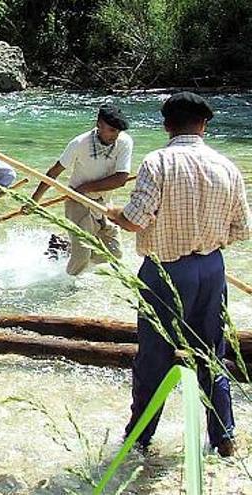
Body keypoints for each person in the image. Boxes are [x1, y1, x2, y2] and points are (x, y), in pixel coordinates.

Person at [107, 92, 250, 457]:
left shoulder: (158, 163)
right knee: (211, 354)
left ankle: (140, 437)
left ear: (167, 125)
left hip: (165, 271)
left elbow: (135, 221)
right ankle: (224, 438)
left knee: (154, 357)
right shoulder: (227, 166)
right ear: (204, 125)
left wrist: (113, 215)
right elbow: (240, 230)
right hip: (212, 269)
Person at [29, 104, 133, 275]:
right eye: (112, 130)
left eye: (118, 131)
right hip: (77, 202)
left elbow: (121, 179)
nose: (115, 135)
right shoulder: (79, 143)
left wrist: (85, 188)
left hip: (103, 202)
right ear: (99, 124)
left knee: (114, 254)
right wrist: (34, 200)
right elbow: (54, 172)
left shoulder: (124, 142)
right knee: (82, 257)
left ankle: (64, 249)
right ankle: (67, 286)